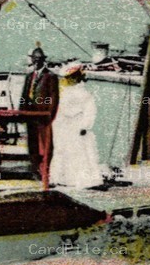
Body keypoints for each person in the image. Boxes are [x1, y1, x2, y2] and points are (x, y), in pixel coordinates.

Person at [49, 62, 104, 188]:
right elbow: (58, 108)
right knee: (61, 151)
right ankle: (59, 178)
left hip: (76, 125)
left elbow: (90, 111)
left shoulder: (84, 93)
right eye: (67, 78)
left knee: (80, 153)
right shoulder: (63, 91)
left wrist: (85, 126)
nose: (68, 80)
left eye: (70, 78)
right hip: (63, 125)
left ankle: (83, 180)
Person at [17, 43, 59, 175]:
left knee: (45, 143)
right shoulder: (29, 76)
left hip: (42, 115)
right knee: (32, 142)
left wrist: (49, 114)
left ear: (43, 60)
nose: (36, 62)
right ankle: (34, 166)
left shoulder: (50, 76)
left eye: (38, 59)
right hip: (30, 114)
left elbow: (53, 97)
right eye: (34, 59)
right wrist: (21, 112)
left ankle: (45, 168)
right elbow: (24, 95)